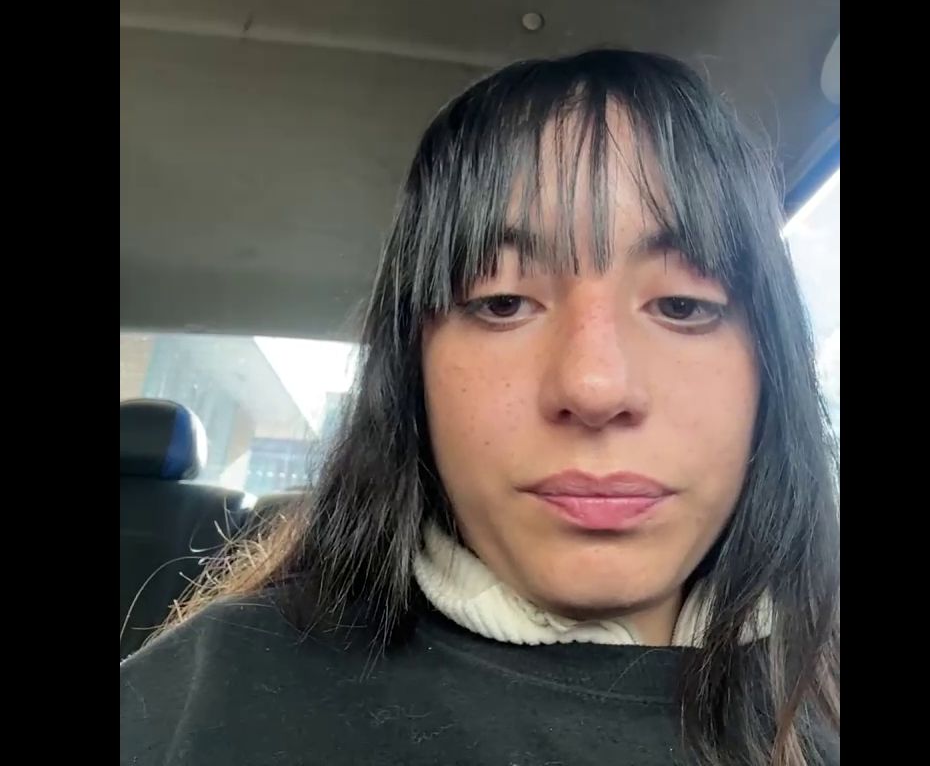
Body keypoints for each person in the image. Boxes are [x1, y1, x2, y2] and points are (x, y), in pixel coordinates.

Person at [120, 50, 840, 766]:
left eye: (682, 305)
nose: (594, 387)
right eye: (502, 303)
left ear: (770, 367)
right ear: (412, 369)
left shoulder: (823, 689)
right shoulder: (201, 704)